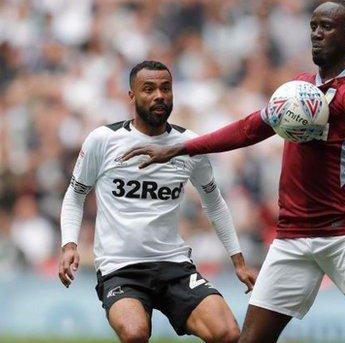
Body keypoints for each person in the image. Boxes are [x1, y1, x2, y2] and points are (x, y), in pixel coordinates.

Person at [122, 1, 345, 343]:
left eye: (327, 27)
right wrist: (181, 147)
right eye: (314, 27)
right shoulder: (299, 89)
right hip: (292, 236)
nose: (317, 35)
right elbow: (250, 128)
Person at [59, 60, 257, 343]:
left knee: (227, 333)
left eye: (165, 88)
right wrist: (69, 244)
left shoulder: (189, 145)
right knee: (135, 333)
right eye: (148, 89)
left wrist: (237, 261)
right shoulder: (103, 140)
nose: (159, 95)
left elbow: (214, 202)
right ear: (131, 96)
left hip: (173, 264)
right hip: (120, 267)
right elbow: (76, 194)